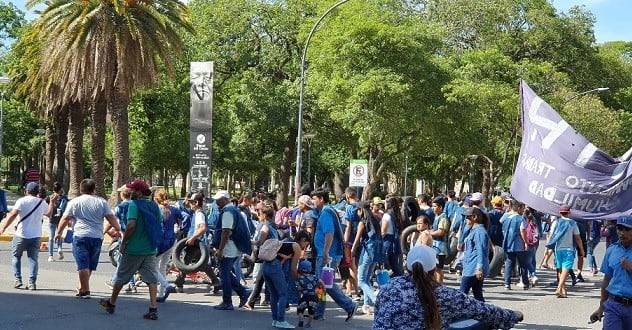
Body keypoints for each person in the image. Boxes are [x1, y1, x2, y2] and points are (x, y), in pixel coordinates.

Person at [373, 245, 523, 329]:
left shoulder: (388, 287)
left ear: (407, 267)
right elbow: (483, 311)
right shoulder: (443, 294)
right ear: (434, 270)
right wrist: (513, 315)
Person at [99, 179, 163, 320]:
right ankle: (153, 309)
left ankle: (111, 303)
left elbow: (131, 225)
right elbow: (159, 223)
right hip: (150, 249)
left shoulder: (134, 205)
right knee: (151, 279)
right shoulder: (153, 205)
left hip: (134, 248)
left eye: (133, 189)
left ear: (139, 192)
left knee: (121, 276)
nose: (131, 192)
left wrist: (124, 242)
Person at [54, 179, 120, 298]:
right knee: (89, 264)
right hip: (97, 237)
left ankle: (86, 290)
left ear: (81, 189)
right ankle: (82, 286)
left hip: (80, 236)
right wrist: (118, 229)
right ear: (94, 189)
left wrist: (58, 232)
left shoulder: (75, 202)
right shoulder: (102, 202)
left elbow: (65, 218)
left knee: (82, 264)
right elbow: (110, 217)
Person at [310, 188, 357, 321]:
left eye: (314, 199)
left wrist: (325, 252)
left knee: (325, 284)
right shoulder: (328, 211)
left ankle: (349, 305)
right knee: (321, 285)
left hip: (327, 255)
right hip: (328, 253)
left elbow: (329, 233)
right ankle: (319, 313)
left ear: (321, 199)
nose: (312, 201)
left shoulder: (326, 213)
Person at [0, 182, 57, 290]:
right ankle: (32, 283)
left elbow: (13, 214)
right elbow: (49, 214)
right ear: (37, 192)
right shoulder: (42, 203)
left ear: (26, 191)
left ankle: (18, 280)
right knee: (33, 259)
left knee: (16, 256)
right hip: (36, 236)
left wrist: (3, 227)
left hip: (21, 234)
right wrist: (52, 202)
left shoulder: (22, 201)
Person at [210, 190, 251, 310]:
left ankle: (227, 301)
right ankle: (242, 293)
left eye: (219, 199)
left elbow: (226, 232)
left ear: (225, 199)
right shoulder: (233, 209)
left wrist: (221, 249)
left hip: (229, 246)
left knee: (224, 274)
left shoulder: (228, 212)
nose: (216, 202)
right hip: (234, 246)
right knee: (226, 272)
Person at [590, 215, 632, 329]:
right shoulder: (612, 250)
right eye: (620, 229)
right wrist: (601, 307)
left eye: (627, 229)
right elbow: (606, 280)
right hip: (614, 305)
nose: (622, 233)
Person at [351, 201, 385, 314]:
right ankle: (366, 305)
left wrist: (352, 251)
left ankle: (375, 300)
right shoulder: (375, 221)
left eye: (357, 210)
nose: (356, 212)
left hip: (368, 252)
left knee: (361, 280)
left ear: (361, 211)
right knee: (366, 279)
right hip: (377, 253)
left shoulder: (362, 223)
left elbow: (356, 240)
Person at [546, 205, 583, 298]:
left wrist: (547, 248)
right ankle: (559, 288)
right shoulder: (573, 223)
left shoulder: (556, 222)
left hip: (558, 249)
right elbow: (578, 238)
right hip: (568, 249)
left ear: (560, 213)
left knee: (560, 269)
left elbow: (550, 236)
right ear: (569, 213)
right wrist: (581, 249)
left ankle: (563, 290)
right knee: (566, 269)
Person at [153, 189, 179, 302]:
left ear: (155, 198)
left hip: (159, 240)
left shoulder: (156, 209)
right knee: (163, 266)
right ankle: (161, 292)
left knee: (152, 266)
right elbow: (184, 218)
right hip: (171, 239)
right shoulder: (173, 209)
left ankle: (165, 285)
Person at [459, 207, 490, 302]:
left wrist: (479, 268)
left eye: (468, 217)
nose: (466, 220)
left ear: (475, 217)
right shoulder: (473, 230)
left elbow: (480, 250)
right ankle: (484, 314)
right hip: (470, 265)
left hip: (473, 267)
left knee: (462, 294)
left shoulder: (479, 231)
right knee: (477, 294)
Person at [501, 199, 530, 290]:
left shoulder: (506, 217)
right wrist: (526, 242)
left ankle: (507, 282)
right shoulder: (521, 218)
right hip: (519, 244)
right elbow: (522, 230)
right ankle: (525, 282)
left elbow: (501, 223)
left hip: (508, 243)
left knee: (509, 263)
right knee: (523, 264)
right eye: (522, 208)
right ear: (518, 208)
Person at [296, 259, 324, 329]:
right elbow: (321, 282)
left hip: (305, 296)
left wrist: (299, 297)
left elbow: (299, 289)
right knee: (311, 312)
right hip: (314, 297)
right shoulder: (314, 277)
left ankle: (301, 318)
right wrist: (323, 289)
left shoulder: (299, 279)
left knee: (300, 309)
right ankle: (308, 324)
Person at [429, 196, 450, 283]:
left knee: (438, 269)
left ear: (440, 207)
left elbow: (440, 232)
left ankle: (439, 285)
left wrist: (429, 233)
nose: (432, 208)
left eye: (434, 206)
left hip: (440, 248)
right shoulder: (437, 216)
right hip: (435, 246)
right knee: (434, 268)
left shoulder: (443, 218)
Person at [381, 197, 404, 277]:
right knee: (394, 264)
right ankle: (400, 280)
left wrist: (380, 239)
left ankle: (386, 281)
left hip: (387, 240)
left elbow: (383, 231)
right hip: (395, 241)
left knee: (385, 264)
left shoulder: (386, 215)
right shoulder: (397, 215)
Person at [46, 182, 68, 262]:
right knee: (59, 235)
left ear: (53, 189)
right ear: (60, 189)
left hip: (52, 219)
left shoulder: (49, 197)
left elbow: (46, 207)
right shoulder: (64, 198)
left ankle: (50, 255)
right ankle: (59, 248)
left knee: (51, 238)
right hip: (61, 220)